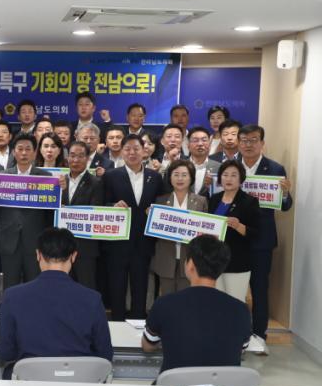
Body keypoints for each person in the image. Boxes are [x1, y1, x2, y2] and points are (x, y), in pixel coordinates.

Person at [0, 227, 113, 379]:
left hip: (28, 385)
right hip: (80, 385)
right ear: (74, 256)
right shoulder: (93, 299)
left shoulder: (12, 297)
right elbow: (105, 355)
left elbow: (6, 352)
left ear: (38, 255)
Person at [142, 235, 251, 374]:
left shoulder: (164, 304)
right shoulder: (241, 310)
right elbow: (241, 349)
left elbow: (148, 345)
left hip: (175, 385)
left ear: (190, 265)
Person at [238, 124, 293, 353]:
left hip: (261, 240)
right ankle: (236, 334)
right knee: (234, 289)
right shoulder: (229, 167)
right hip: (235, 239)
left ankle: (259, 335)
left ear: (262, 143)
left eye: (253, 140)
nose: (248, 144)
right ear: (238, 143)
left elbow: (285, 205)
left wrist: (286, 193)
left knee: (259, 288)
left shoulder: (275, 168)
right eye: (244, 140)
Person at [104, 134, 165, 320]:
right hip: (118, 243)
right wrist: (112, 206)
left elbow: (163, 205)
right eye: (128, 149)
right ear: (122, 152)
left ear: (144, 151)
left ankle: (139, 323)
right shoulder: (111, 176)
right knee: (117, 288)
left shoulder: (155, 177)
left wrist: (157, 210)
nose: (132, 152)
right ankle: (117, 324)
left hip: (144, 243)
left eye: (136, 149)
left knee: (141, 287)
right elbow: (100, 204)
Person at [0, 133, 53, 287]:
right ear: (14, 152)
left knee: (34, 285)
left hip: (35, 242)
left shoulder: (46, 177)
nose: (24, 153)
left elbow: (50, 213)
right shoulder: (1, 177)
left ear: (34, 152)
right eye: (20, 149)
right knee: (9, 285)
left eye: (28, 149)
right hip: (8, 241)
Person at [151, 160, 208, 295]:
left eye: (184, 175)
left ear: (191, 178)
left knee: (186, 298)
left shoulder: (201, 201)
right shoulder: (160, 201)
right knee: (167, 297)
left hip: (190, 259)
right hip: (166, 257)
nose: (180, 179)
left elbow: (205, 232)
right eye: (176, 174)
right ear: (170, 178)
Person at [208, 160, 260, 302]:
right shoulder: (214, 199)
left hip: (237, 261)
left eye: (233, 175)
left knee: (235, 302)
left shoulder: (249, 201)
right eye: (225, 175)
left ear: (241, 178)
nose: (228, 179)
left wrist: (238, 226)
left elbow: (255, 233)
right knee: (217, 302)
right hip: (215, 261)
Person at [59, 141, 104, 291]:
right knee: (63, 289)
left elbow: (95, 212)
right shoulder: (59, 182)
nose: (75, 160)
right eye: (72, 156)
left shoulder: (96, 183)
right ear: (67, 158)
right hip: (62, 246)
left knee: (86, 288)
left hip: (85, 248)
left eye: (80, 156)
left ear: (87, 159)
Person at [186, 127, 221, 197]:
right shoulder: (180, 166)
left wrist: (214, 186)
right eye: (195, 140)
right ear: (188, 145)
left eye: (204, 140)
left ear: (209, 144)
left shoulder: (219, 167)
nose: (200, 144)